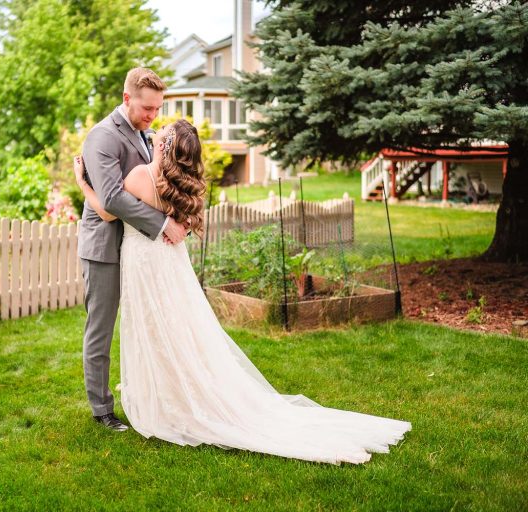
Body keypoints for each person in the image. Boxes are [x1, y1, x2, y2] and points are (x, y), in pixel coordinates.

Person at [74, 119, 412, 465]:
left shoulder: (139, 178)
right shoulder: (180, 186)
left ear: (163, 145)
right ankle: (181, 392)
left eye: (162, 131)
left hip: (146, 263)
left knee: (154, 330)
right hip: (170, 262)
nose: (156, 128)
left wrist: (82, 183)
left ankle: (167, 401)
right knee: (178, 329)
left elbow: (108, 210)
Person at [78, 67, 189, 432]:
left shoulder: (146, 134)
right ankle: (101, 409)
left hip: (137, 250)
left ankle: (152, 395)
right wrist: (161, 225)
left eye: (157, 109)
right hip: (105, 248)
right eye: (146, 109)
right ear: (127, 99)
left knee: (147, 323)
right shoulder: (102, 137)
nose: (153, 116)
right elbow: (110, 199)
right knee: (102, 328)